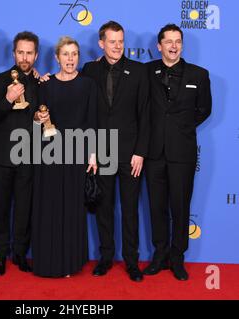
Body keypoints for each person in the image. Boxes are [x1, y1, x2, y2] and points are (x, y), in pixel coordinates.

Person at [82, 21, 150, 282]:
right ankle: (106, 257)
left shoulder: (139, 71)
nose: (118, 45)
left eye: (121, 41)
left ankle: (132, 261)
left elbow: (145, 114)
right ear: (101, 43)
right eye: (112, 41)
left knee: (130, 209)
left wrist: (141, 151)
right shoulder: (89, 70)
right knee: (104, 208)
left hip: (131, 154)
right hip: (100, 153)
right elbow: (82, 105)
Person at [143, 24, 212, 281]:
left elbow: (204, 109)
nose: (173, 46)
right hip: (153, 152)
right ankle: (159, 256)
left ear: (182, 45)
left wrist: (180, 127)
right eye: (168, 41)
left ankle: (177, 258)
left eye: (178, 41)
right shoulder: (146, 71)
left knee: (181, 207)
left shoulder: (199, 75)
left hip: (182, 152)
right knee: (156, 206)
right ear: (159, 45)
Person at [32, 36, 97, 277]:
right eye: (66, 54)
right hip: (48, 154)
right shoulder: (45, 86)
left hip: (76, 154)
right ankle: (47, 262)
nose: (70, 59)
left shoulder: (88, 85)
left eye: (74, 54)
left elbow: (93, 120)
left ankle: (70, 263)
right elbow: (38, 119)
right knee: (49, 207)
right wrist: (38, 119)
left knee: (71, 209)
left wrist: (92, 155)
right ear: (57, 57)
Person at [0, 31, 40, 275]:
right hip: (0, 157)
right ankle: (0, 255)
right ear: (13, 53)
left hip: (29, 157)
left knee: (24, 208)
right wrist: (8, 99)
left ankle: (20, 253)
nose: (24, 57)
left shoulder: (41, 84)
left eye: (29, 53)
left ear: (36, 55)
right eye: (20, 52)